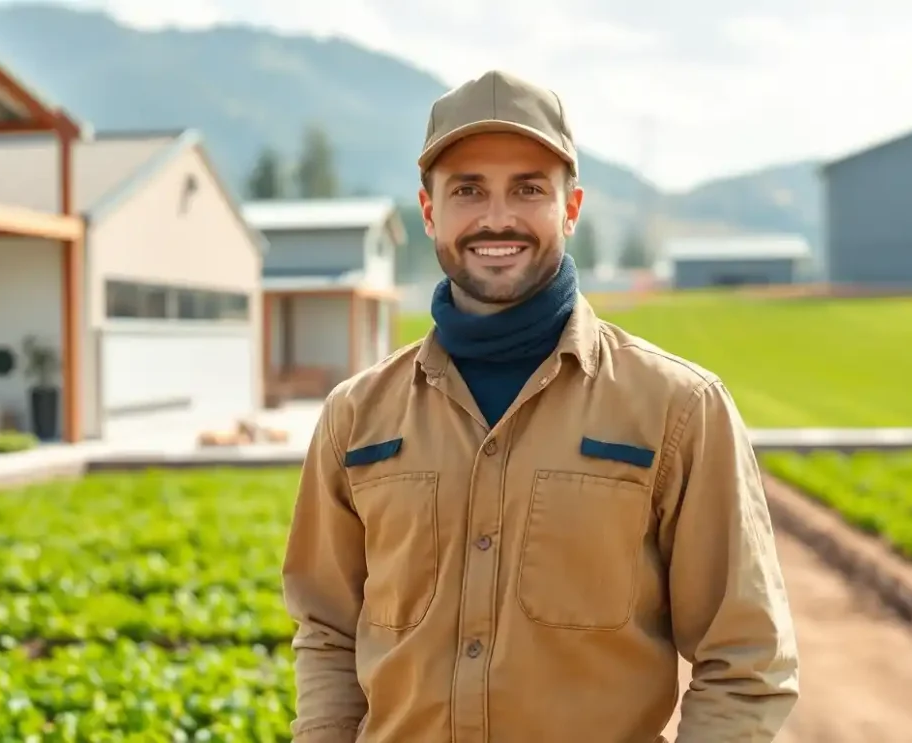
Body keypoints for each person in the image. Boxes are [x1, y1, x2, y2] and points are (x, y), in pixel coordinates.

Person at [281, 69, 799, 743]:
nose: (497, 218)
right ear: (430, 209)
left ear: (572, 206)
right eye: (469, 190)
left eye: (528, 188)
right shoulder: (357, 417)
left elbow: (745, 660)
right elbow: (326, 631)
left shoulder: (677, 409)